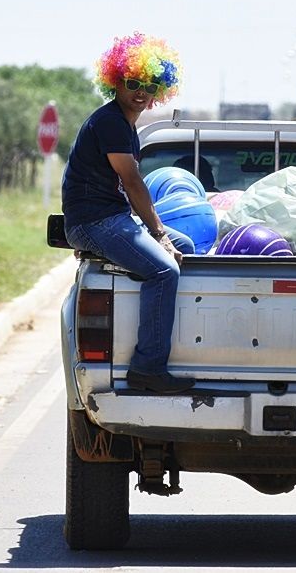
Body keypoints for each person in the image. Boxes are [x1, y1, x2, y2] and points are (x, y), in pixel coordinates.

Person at [63, 32, 195, 395]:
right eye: (132, 83)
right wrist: (158, 233)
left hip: (110, 219)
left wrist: (163, 235)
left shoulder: (125, 124)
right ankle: (148, 368)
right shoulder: (110, 122)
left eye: (150, 85)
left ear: (160, 90)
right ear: (115, 82)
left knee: (188, 243)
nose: (141, 92)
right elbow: (133, 182)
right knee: (165, 270)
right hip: (96, 221)